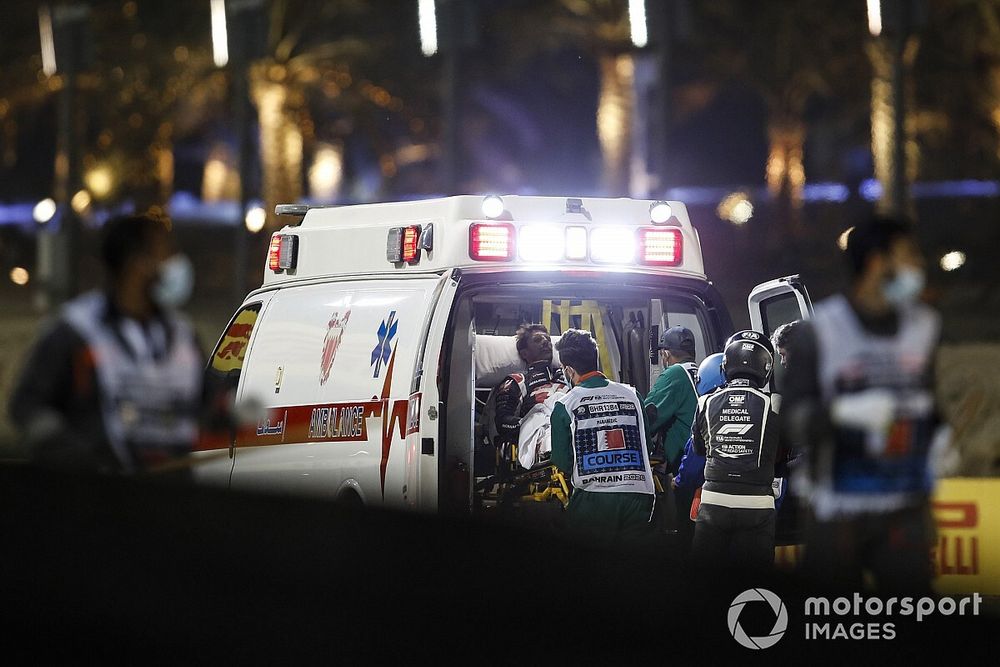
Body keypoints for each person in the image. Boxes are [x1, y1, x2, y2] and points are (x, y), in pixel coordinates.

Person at [782, 216, 948, 592]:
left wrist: (940, 437)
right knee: (831, 624)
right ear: (877, 262)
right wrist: (842, 414)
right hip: (838, 512)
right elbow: (792, 421)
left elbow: (927, 403)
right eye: (909, 255)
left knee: (915, 620)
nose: (919, 266)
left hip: (904, 509)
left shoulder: (924, 327)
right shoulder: (820, 331)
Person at [9, 213, 203, 475]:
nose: (177, 262)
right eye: (167, 251)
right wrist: (71, 453)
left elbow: (207, 405)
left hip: (168, 502)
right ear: (138, 263)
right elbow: (27, 405)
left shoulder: (182, 335)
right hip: (96, 501)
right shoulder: (78, 331)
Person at [550, 329, 655, 543]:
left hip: (593, 499)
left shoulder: (565, 405)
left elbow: (562, 460)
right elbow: (647, 446)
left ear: (569, 371)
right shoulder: (632, 395)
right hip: (640, 496)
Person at [691, 331, 781, 569]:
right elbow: (785, 452)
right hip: (758, 505)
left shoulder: (704, 402)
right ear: (766, 367)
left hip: (713, 501)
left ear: (726, 363)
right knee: (753, 590)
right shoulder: (776, 403)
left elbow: (700, 449)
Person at [492, 323, 568, 468]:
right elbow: (502, 421)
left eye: (547, 339)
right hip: (542, 432)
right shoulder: (517, 380)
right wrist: (530, 424)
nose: (546, 342)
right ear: (524, 353)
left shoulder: (569, 375)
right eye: (538, 340)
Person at [643, 326, 699, 468]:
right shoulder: (700, 371)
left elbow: (648, 417)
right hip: (704, 459)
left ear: (666, 354)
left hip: (686, 462)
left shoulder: (674, 374)